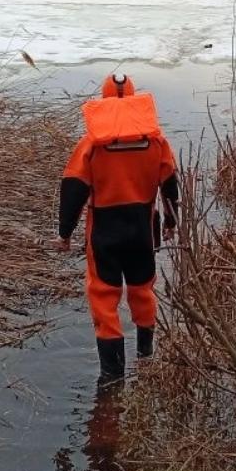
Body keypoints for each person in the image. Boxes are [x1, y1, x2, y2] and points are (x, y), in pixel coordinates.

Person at [57, 73, 179, 383]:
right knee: (142, 290)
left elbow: (73, 189)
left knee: (104, 297)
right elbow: (170, 185)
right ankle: (146, 358)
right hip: (143, 229)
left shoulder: (92, 144)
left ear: (105, 98)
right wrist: (171, 223)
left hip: (104, 234)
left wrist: (65, 233)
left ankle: (112, 376)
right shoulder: (157, 140)